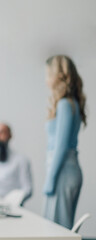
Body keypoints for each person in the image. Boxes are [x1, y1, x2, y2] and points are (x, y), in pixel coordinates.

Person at [43, 55, 86, 229]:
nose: (46, 80)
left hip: (63, 171)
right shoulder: (70, 103)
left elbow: (61, 146)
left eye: (48, 75)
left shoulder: (65, 104)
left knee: (56, 230)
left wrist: (50, 180)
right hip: (65, 169)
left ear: (58, 75)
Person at [0, 123, 32, 205]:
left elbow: (27, 189)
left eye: (1, 133)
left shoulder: (21, 160)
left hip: (9, 208)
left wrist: (11, 200)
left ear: (10, 136)